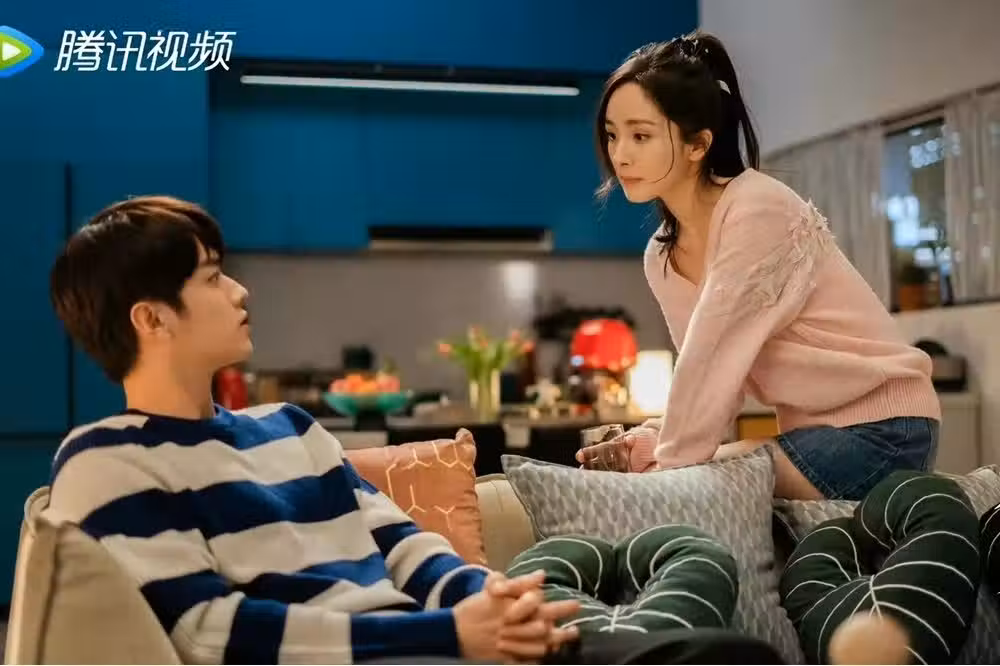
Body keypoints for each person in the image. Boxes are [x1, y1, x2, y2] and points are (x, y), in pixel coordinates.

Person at [43, 196, 582, 664]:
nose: (239, 291)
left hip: (426, 645)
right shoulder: (106, 460)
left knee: (609, 631)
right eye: (212, 277)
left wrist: (494, 601)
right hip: (397, 651)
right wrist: (448, 633)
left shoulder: (292, 428)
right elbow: (209, 631)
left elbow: (401, 545)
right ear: (152, 319)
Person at [577, 31, 941, 502]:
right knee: (684, 472)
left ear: (697, 144)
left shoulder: (755, 208)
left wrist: (661, 473)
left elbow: (709, 364)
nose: (620, 155)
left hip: (888, 429)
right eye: (612, 135)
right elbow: (713, 385)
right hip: (809, 435)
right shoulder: (662, 258)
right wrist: (649, 444)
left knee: (693, 479)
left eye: (641, 135)